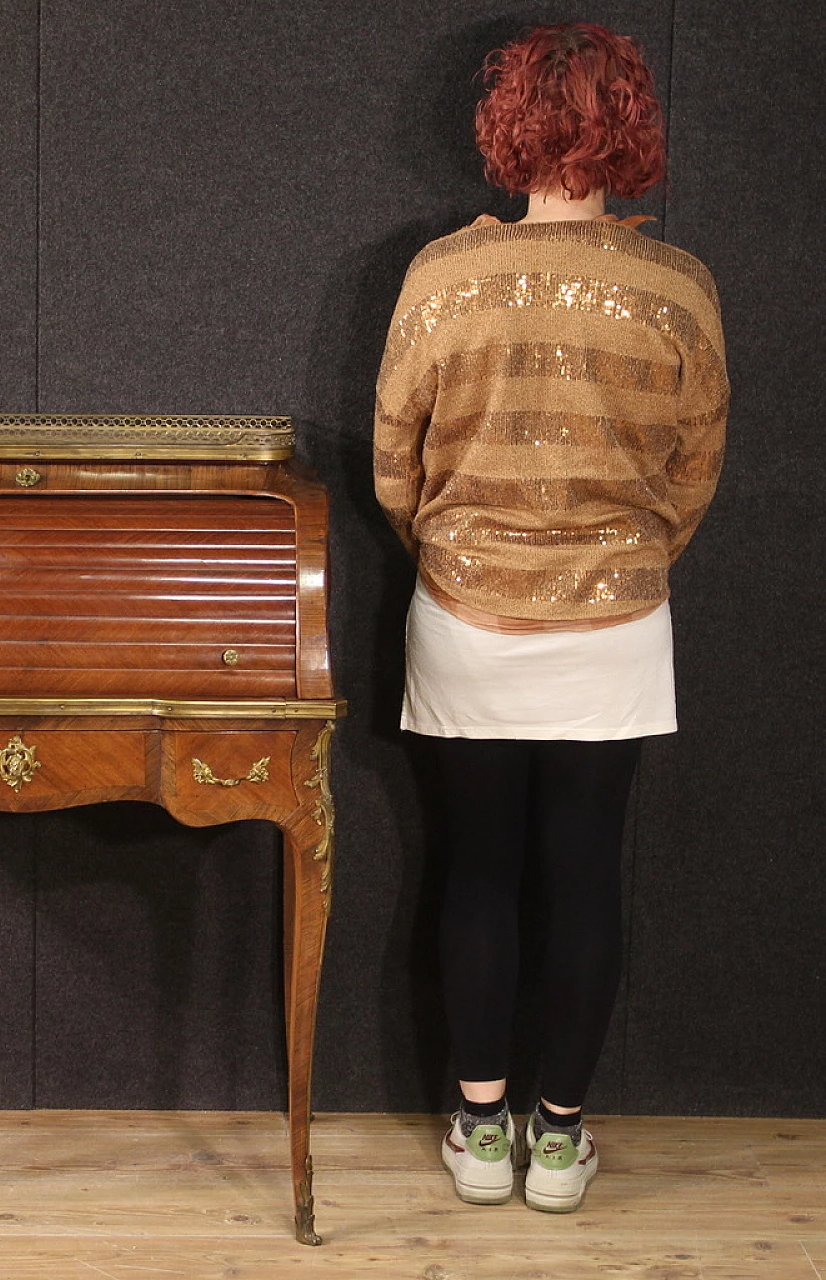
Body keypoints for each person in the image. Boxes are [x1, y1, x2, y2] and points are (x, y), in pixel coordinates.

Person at [374, 23, 728, 1212]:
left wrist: (459, 550)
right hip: (616, 619)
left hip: (465, 609)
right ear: (626, 125)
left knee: (473, 869)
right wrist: (621, 560)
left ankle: (478, 1129)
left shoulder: (436, 279)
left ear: (508, 127)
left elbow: (392, 463)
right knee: (583, 873)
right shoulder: (679, 289)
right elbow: (695, 467)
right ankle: (560, 1141)